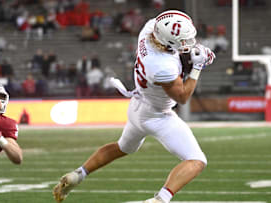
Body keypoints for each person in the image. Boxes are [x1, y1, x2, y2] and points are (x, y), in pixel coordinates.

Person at [53, 10, 215, 203]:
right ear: (168, 42)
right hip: (157, 115)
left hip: (137, 107)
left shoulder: (149, 30)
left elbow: (172, 35)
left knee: (123, 147)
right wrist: (197, 67)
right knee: (197, 160)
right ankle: (159, 200)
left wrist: (192, 50)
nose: (188, 43)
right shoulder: (162, 65)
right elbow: (182, 96)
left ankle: (78, 174)